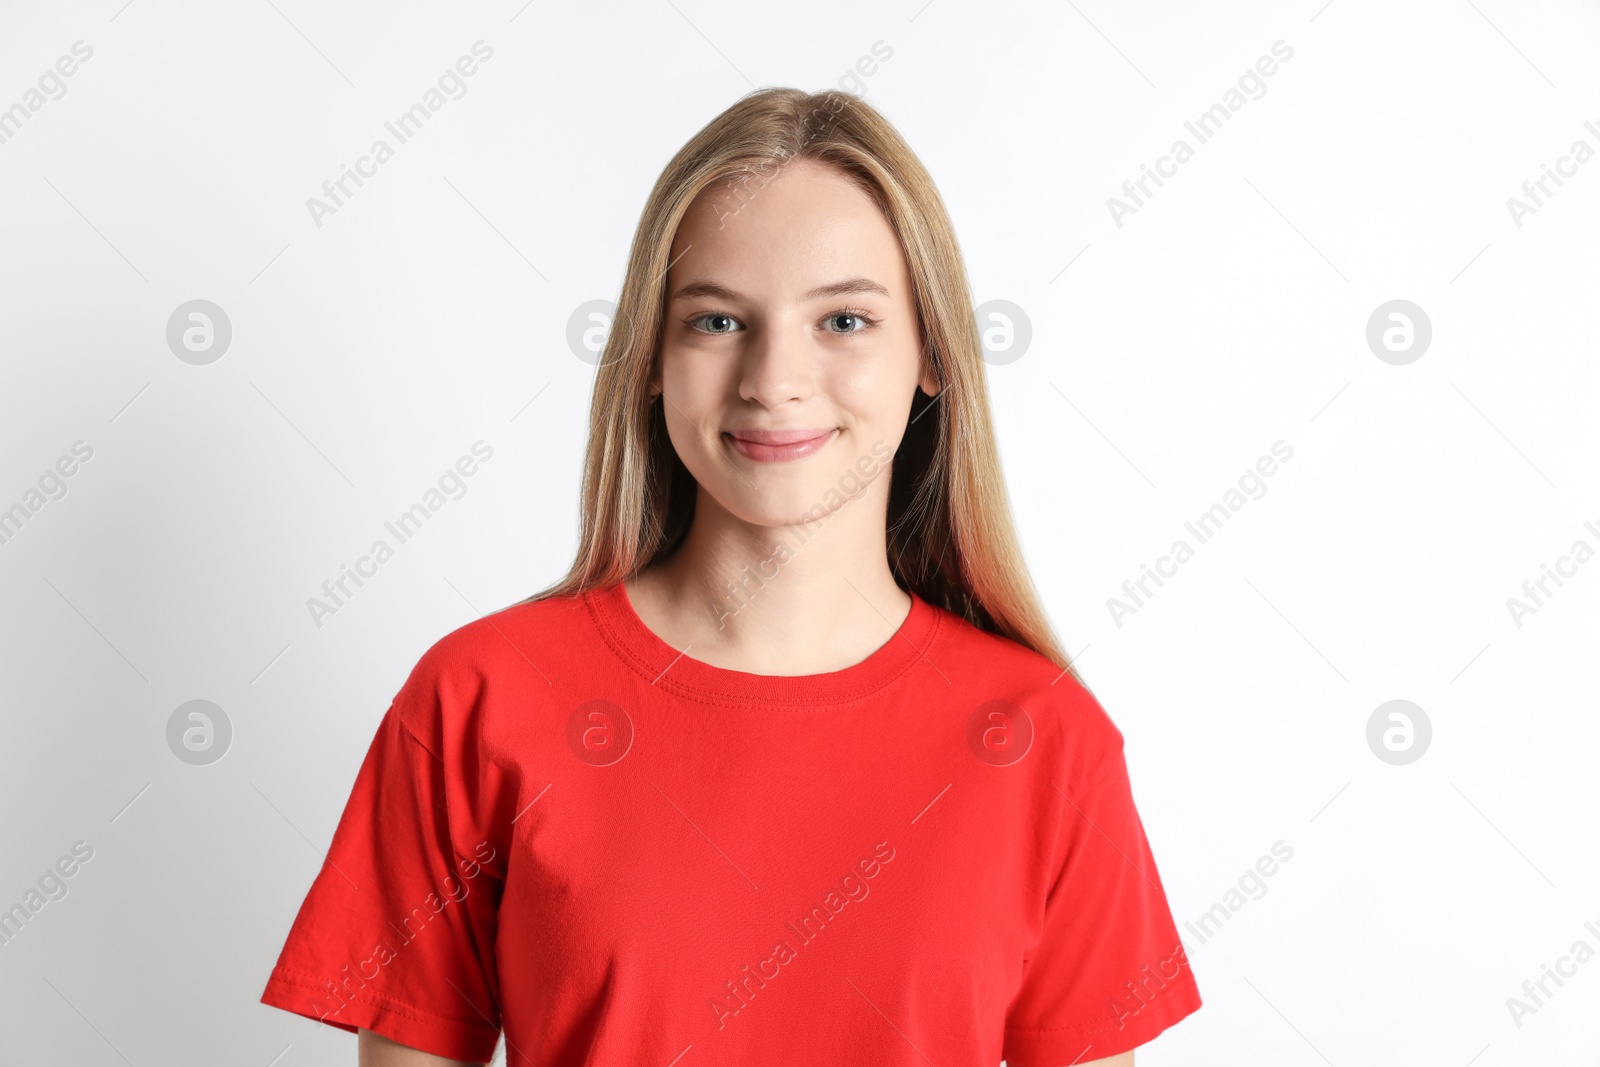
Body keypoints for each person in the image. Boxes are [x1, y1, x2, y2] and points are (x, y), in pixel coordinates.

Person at [260, 85, 1202, 1067]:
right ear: (651, 359)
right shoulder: (475, 702)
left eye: (842, 320)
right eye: (716, 322)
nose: (772, 378)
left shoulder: (1045, 742)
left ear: (930, 354)